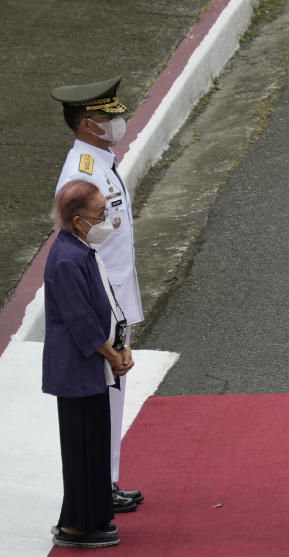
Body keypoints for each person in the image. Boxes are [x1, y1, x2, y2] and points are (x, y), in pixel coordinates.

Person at [52, 76, 144, 512]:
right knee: (106, 389)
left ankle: (106, 479)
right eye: (110, 116)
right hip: (100, 298)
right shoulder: (81, 174)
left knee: (115, 391)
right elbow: (82, 247)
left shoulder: (101, 159)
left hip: (116, 294)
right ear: (89, 125)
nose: (118, 120)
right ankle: (101, 485)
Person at [43, 179, 134, 548]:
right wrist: (113, 355)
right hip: (77, 369)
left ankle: (94, 517)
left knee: (94, 443)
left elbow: (106, 305)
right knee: (82, 448)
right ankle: (75, 526)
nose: (107, 219)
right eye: (100, 213)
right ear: (79, 220)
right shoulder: (67, 259)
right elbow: (81, 321)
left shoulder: (79, 249)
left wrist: (121, 347)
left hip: (92, 366)